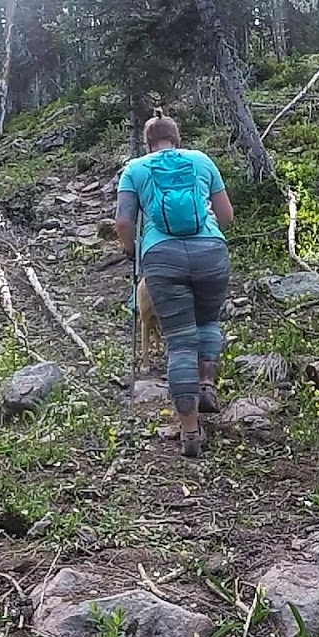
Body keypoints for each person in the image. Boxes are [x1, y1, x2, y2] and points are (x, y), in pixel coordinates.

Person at [116, 109, 235, 459]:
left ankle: (189, 431)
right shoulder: (200, 160)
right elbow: (226, 214)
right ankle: (207, 384)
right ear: (177, 137)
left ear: (147, 142)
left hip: (161, 256)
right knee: (209, 322)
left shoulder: (135, 170)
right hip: (210, 250)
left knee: (180, 342)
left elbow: (124, 221)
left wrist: (132, 249)